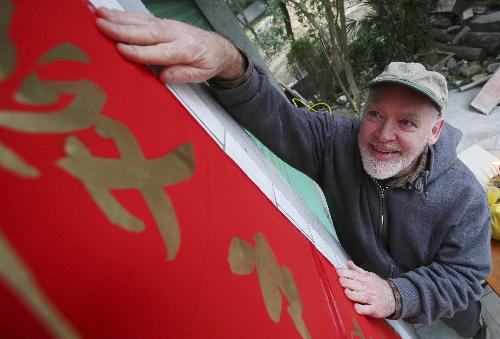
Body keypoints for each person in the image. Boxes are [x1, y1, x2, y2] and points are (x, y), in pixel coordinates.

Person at [95, 7, 492, 338]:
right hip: (368, 312)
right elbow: (277, 118)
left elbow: (464, 277)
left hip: (445, 322)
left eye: (407, 123)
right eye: (375, 114)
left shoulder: (463, 197)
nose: (383, 135)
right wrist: (229, 62)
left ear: (435, 132)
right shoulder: (338, 143)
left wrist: (397, 295)